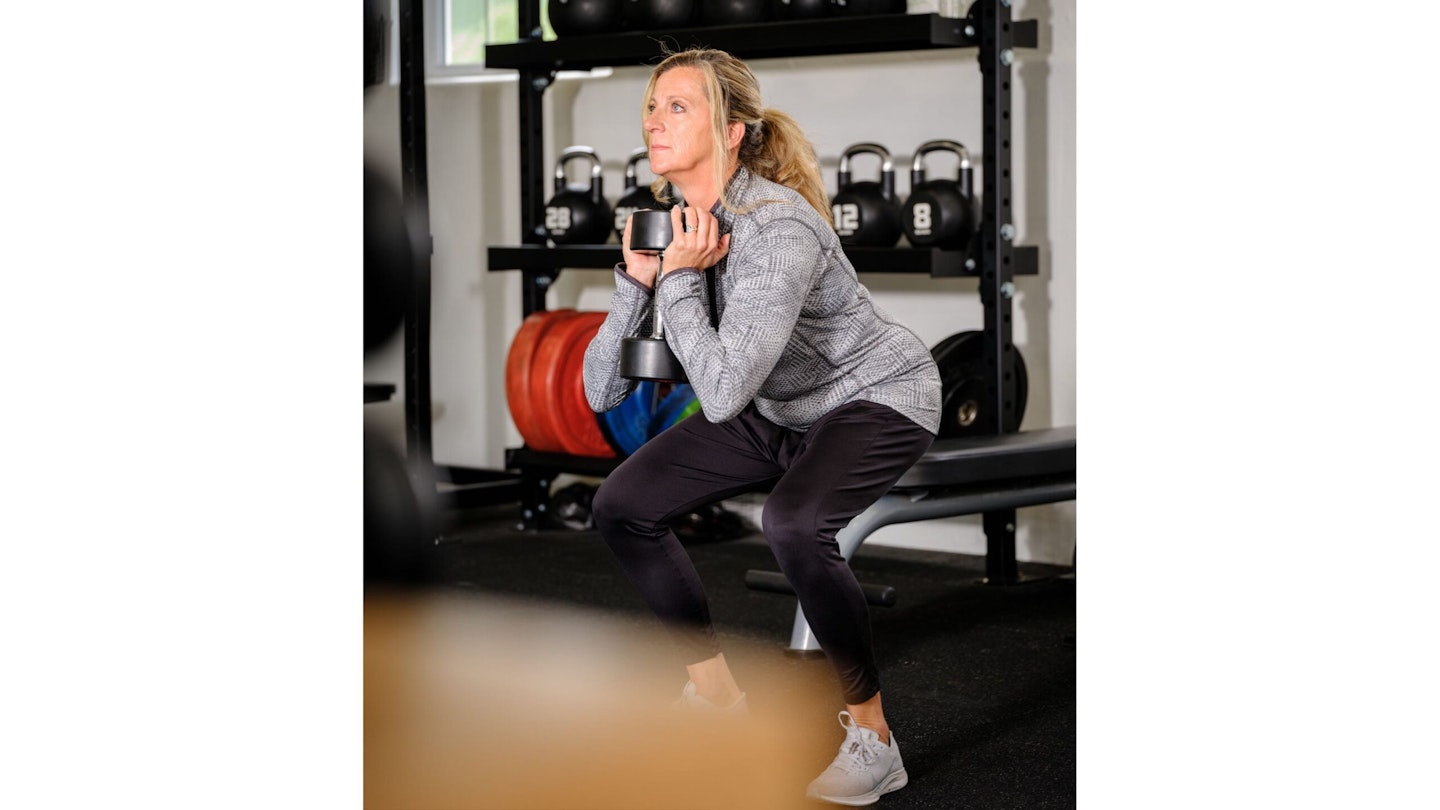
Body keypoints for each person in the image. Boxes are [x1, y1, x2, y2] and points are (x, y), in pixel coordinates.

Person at [582, 46, 941, 807]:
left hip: (873, 395)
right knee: (621, 506)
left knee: (794, 521)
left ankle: (875, 738)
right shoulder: (672, 224)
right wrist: (637, 283)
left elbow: (717, 394)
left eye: (678, 106)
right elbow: (599, 389)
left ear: (735, 129)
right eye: (652, 104)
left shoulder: (777, 229)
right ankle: (714, 698)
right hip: (775, 407)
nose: (655, 119)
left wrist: (678, 279)